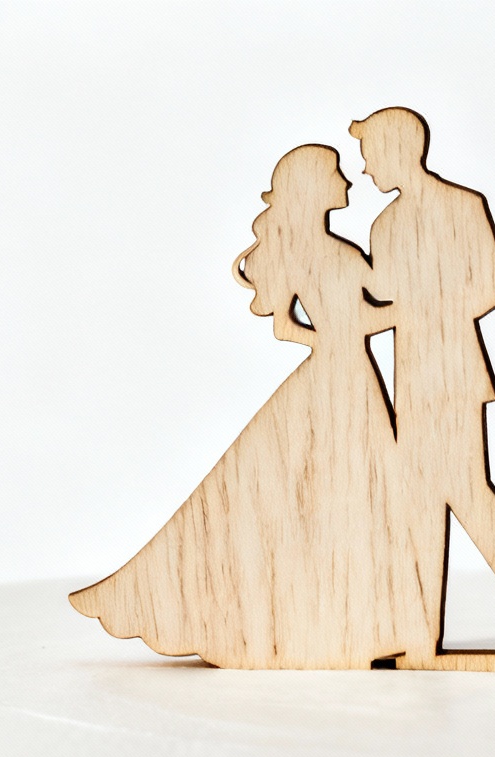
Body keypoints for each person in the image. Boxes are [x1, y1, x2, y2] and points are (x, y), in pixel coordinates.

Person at [69, 145, 430, 668]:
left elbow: (291, 324)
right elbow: (370, 313)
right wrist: (413, 309)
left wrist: (329, 337)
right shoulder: (335, 254)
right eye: (336, 175)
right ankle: (333, 624)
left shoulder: (315, 252)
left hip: (335, 375)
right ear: (312, 187)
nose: (348, 183)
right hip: (345, 382)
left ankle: (328, 623)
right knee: (342, 498)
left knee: (330, 500)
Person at [351, 107, 495, 671]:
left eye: (369, 155)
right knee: (422, 503)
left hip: (452, 371)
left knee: (466, 494)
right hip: (412, 375)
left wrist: (431, 309)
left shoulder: (463, 206)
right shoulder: (384, 226)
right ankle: (421, 636)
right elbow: (383, 302)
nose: (365, 169)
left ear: (396, 150)